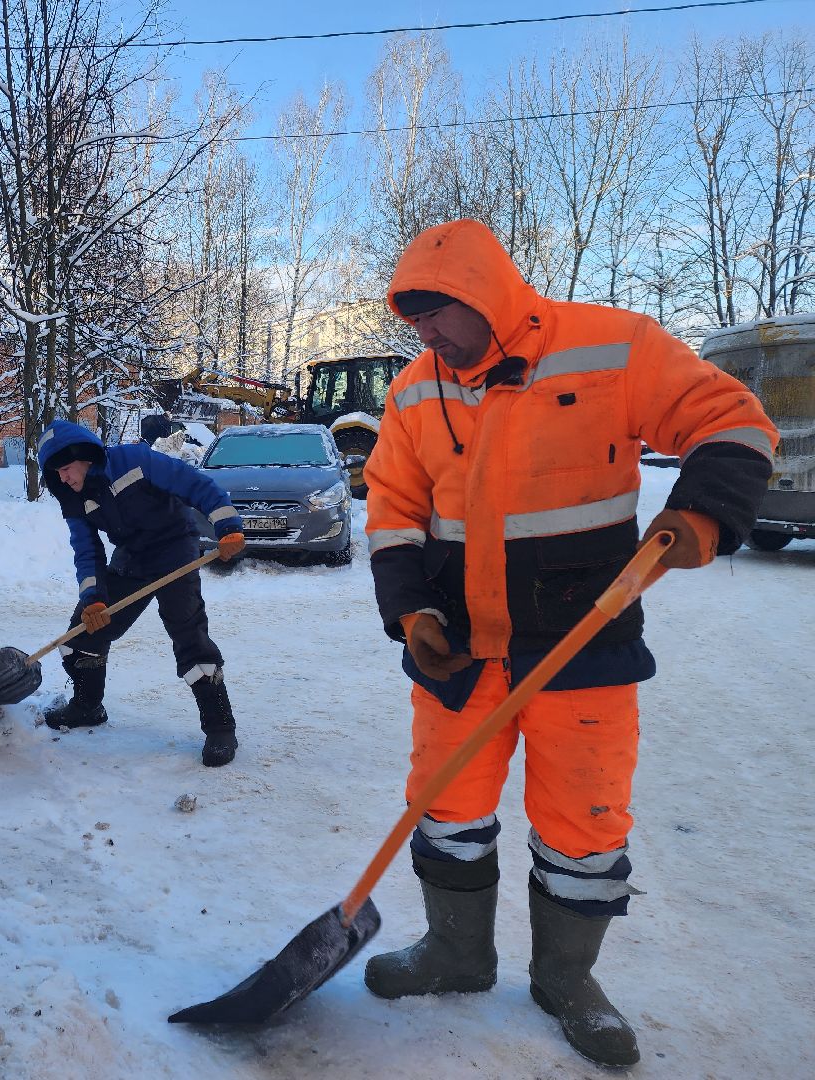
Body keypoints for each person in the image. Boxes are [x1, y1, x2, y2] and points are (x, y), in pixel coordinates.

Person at [361, 219, 776, 1068]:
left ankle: (565, 978)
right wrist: (412, 614)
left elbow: (732, 419)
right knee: (444, 803)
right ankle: (456, 953)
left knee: (585, 823)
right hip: (460, 651)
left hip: (585, 642)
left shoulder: (612, 347)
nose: (426, 333)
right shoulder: (411, 392)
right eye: (414, 318)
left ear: (483, 296)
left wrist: (701, 512)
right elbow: (393, 508)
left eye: (437, 313)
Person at [36, 419, 246, 767]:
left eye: (66, 469)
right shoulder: (73, 498)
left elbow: (194, 484)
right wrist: (93, 598)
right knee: (83, 632)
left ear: (83, 456)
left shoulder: (134, 460)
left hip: (175, 547)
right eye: (56, 473)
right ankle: (88, 706)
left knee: (188, 632)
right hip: (132, 556)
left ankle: (220, 728)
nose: (63, 478)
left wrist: (228, 525)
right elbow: (86, 550)